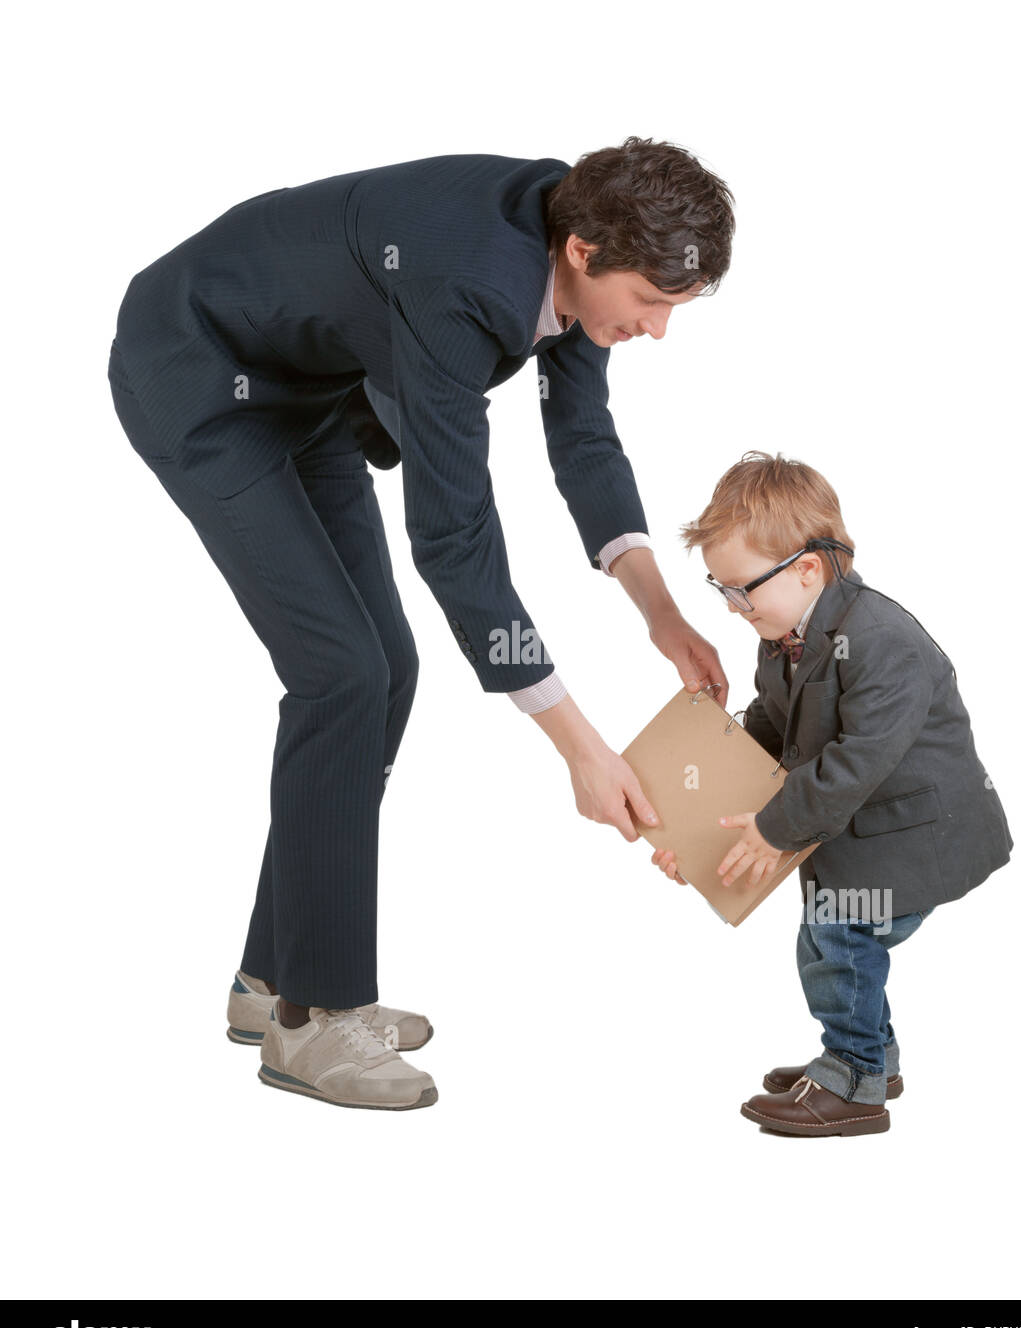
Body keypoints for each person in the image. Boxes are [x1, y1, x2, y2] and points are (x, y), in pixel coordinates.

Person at [107, 138, 737, 1111]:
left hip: (308, 386)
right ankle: (318, 1019)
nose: (656, 329)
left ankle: (274, 981)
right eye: (651, 303)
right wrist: (576, 744)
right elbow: (453, 538)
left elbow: (580, 438)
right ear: (581, 251)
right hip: (196, 368)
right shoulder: (463, 281)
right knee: (340, 672)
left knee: (382, 666)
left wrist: (661, 615)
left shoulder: (574, 247)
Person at [652, 451, 1013, 1135]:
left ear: (806, 570)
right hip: (859, 832)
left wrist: (771, 828)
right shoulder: (781, 634)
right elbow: (769, 727)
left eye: (739, 590)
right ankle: (872, 1055)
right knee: (840, 937)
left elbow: (856, 760)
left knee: (834, 937)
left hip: (920, 837)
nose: (731, 608)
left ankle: (852, 1077)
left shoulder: (882, 641)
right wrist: (693, 822)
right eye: (720, 591)